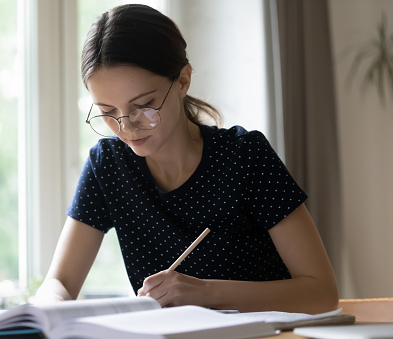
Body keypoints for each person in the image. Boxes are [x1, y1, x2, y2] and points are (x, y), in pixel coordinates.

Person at [35, 4, 338, 314]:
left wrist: (206, 292)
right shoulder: (109, 164)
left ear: (182, 81)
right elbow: (60, 282)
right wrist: (45, 313)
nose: (126, 127)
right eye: (108, 113)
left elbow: (322, 292)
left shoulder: (245, 156)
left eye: (143, 105)